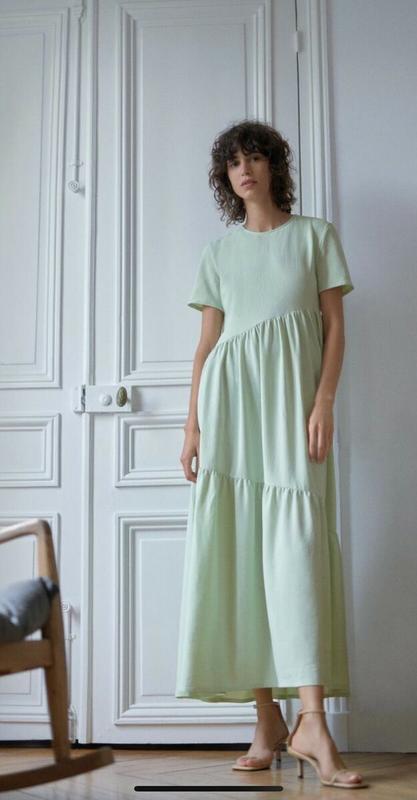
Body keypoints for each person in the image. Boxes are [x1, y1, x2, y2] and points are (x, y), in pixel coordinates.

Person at [175, 120, 367, 789]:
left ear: (273, 167)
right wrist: (192, 427)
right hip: (229, 416)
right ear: (224, 177)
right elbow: (206, 347)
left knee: (297, 548)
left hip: (292, 413)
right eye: (232, 162)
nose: (244, 169)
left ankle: (312, 720)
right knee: (241, 551)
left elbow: (335, 327)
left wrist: (324, 401)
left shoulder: (315, 237)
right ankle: (266, 721)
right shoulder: (218, 254)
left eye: (254, 158)